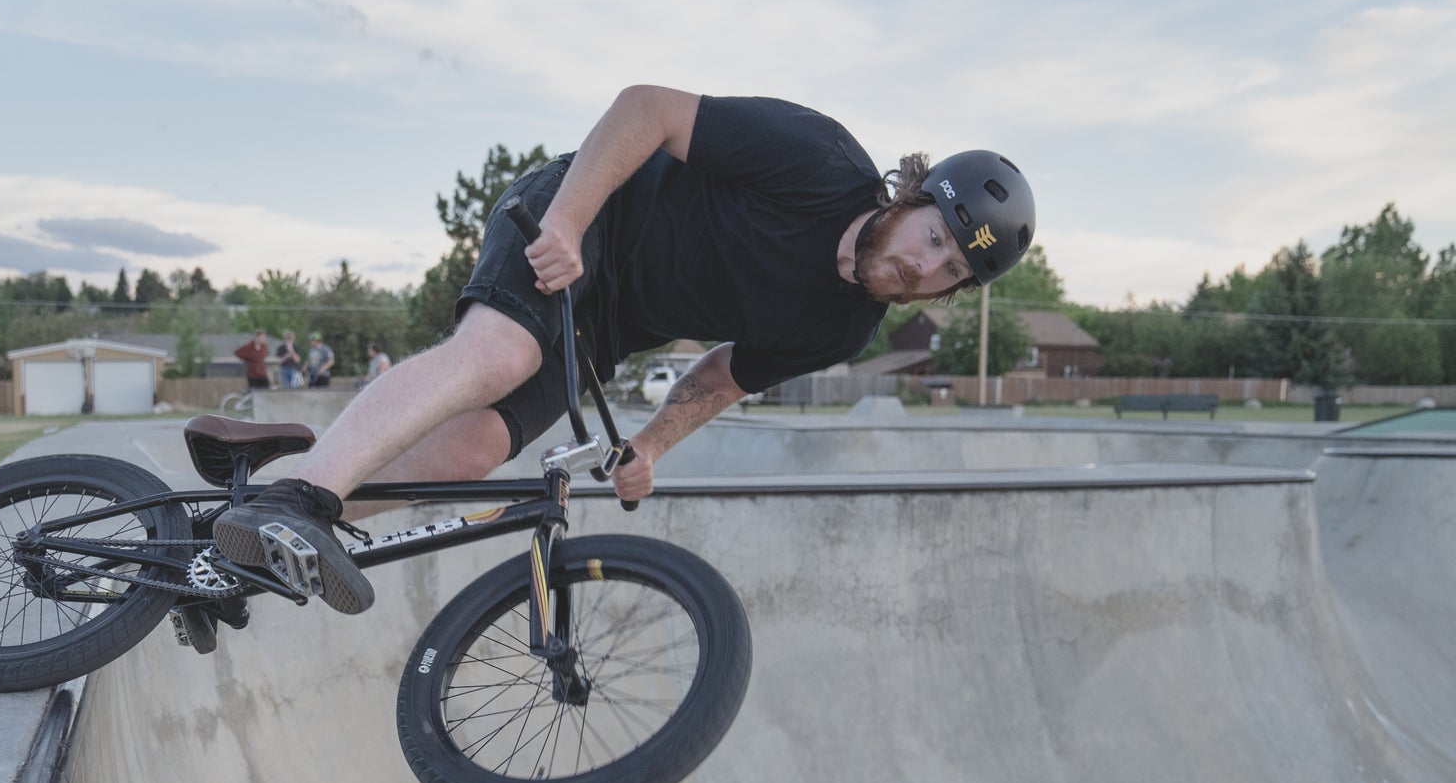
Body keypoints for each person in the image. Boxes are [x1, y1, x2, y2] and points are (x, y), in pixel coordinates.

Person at [215, 85, 1036, 615]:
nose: (923, 266)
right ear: (913, 198)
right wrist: (569, 223)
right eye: (932, 236)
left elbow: (722, 376)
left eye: (950, 269)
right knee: (499, 356)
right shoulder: (817, 162)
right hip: (581, 219)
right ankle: (298, 500)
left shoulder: (842, 329)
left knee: (474, 447)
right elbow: (649, 110)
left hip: (604, 329)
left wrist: (647, 445)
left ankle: (239, 545)